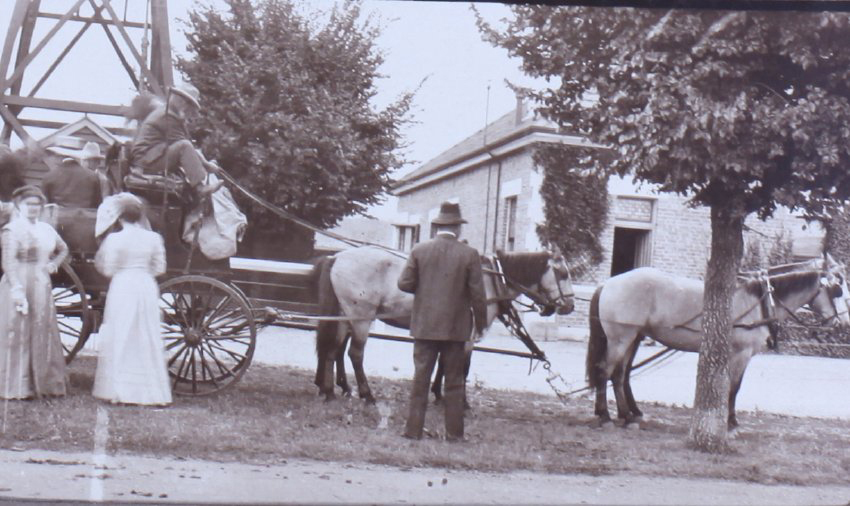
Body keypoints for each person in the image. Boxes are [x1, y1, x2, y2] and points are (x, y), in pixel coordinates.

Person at [397, 201, 487, 442]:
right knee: (455, 383)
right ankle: (455, 435)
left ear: (436, 226)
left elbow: (403, 283)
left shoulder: (419, 250)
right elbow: (479, 296)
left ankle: (413, 431)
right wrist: (480, 326)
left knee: (420, 380)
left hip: (425, 326)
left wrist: (425, 289)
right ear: (458, 228)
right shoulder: (469, 254)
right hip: (456, 330)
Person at [92, 194, 171, 406]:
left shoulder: (115, 239)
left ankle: (120, 389)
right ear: (140, 216)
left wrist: (123, 271)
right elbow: (160, 268)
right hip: (145, 285)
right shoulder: (154, 239)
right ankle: (150, 390)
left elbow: (108, 268)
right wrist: (142, 271)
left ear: (119, 218)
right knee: (146, 333)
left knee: (122, 332)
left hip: (123, 285)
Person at [0, 185, 69, 399]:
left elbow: (63, 248)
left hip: (41, 283)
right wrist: (16, 288)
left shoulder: (46, 229)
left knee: (41, 329)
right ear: (20, 206)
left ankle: (42, 381)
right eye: (29, 204)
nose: (33, 209)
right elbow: (8, 262)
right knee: (17, 330)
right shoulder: (12, 230)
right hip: (18, 281)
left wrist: (54, 263)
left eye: (37, 205)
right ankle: (16, 385)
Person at [130, 83, 222, 196]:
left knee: (185, 146)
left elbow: (188, 148)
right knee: (184, 145)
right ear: (181, 101)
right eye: (188, 103)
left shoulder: (170, 114)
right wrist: (207, 166)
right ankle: (199, 187)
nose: (189, 108)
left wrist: (205, 163)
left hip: (151, 157)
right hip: (147, 160)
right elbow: (184, 145)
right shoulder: (168, 116)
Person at [42, 138, 103, 208]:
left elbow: (46, 205)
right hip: (85, 217)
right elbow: (97, 205)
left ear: (60, 156)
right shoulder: (93, 176)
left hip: (59, 217)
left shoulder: (49, 176)